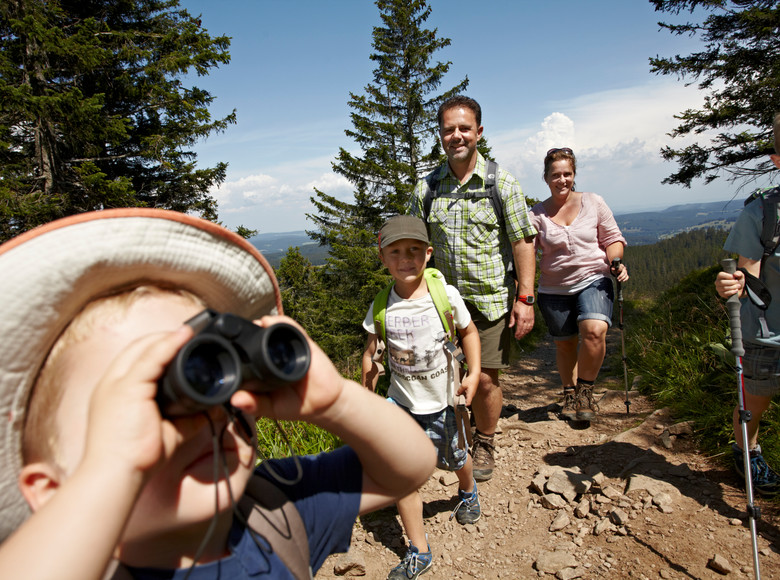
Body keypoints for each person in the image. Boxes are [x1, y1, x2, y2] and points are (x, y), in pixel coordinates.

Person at [0, 208, 437, 580]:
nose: (201, 413)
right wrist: (115, 469)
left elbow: (412, 466)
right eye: (143, 400)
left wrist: (334, 400)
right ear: (51, 491)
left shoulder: (277, 506)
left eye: (206, 368)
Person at [408, 95, 537, 481]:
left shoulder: (502, 183)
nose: (457, 136)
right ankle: (451, 438)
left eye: (464, 128)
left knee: (483, 380)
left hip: (490, 301)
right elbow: (415, 246)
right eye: (449, 129)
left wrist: (526, 298)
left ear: (479, 132)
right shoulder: (427, 188)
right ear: (441, 135)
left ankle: (485, 440)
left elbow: (523, 241)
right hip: (442, 305)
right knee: (443, 376)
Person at [361, 215, 481, 580]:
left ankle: (468, 489)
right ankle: (419, 550)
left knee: (456, 457)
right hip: (401, 404)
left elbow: (469, 331)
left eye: (414, 250)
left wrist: (474, 374)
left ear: (428, 254)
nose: (405, 258)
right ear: (383, 258)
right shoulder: (382, 305)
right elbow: (371, 355)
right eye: (395, 251)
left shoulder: (445, 296)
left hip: (444, 401)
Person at [529, 148, 628, 421]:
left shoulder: (594, 202)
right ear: (546, 178)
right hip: (553, 288)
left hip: (594, 278)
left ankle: (586, 391)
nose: (562, 180)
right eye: (556, 175)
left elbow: (612, 238)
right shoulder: (536, 215)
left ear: (574, 175)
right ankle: (570, 394)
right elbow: (526, 254)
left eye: (567, 174)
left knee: (594, 331)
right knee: (565, 345)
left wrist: (615, 261)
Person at [715, 112, 780, 497]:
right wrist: (733, 285)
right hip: (767, 333)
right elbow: (748, 276)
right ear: (777, 159)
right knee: (756, 398)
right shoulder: (761, 213)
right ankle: (745, 449)